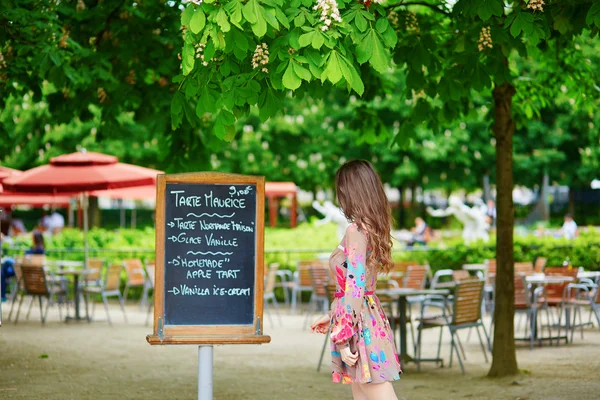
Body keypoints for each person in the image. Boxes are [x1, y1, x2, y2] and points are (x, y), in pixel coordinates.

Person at [310, 160, 401, 400]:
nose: (340, 197)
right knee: (362, 394)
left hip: (359, 325)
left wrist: (341, 334)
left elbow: (355, 287)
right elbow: (355, 287)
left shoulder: (357, 231)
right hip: (362, 319)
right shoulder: (368, 229)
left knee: (375, 393)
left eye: (342, 190)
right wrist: (332, 316)